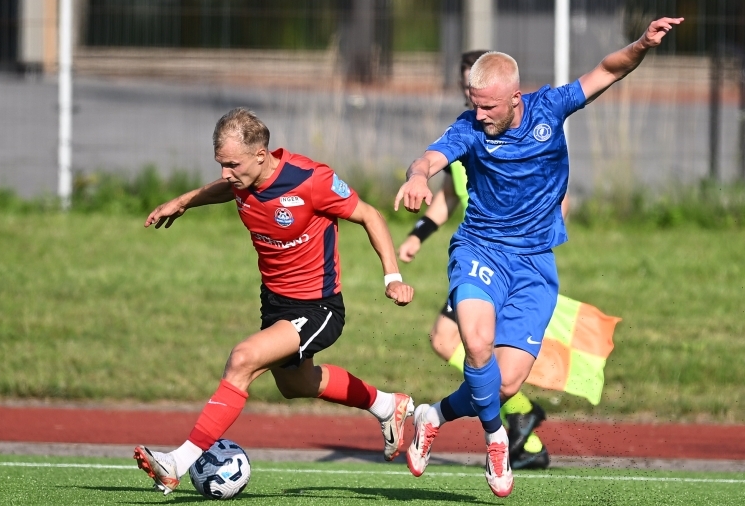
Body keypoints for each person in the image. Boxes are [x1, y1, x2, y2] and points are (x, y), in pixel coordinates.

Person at [394, 18, 683, 497]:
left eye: (488, 106)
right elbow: (429, 158)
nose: (479, 114)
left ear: (515, 98)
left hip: (534, 265)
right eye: (474, 104)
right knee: (477, 343)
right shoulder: (469, 128)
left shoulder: (551, 106)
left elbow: (608, 71)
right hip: (479, 250)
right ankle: (496, 440)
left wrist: (642, 44)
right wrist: (419, 176)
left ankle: (434, 414)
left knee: (505, 385)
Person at [135, 107, 416, 495]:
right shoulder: (241, 180)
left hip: (318, 307)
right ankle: (388, 405)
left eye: (232, 164)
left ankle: (176, 462)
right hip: (276, 305)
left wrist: (393, 277)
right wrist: (184, 201)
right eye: (220, 164)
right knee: (297, 384)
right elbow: (226, 188)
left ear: (261, 155)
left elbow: (370, 215)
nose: (225, 174)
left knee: (243, 359)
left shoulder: (310, 180)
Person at [398, 49, 552, 471]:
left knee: (491, 370)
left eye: (484, 96)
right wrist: (418, 234)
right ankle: (506, 430)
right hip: (482, 253)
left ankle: (510, 419)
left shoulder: (524, 129)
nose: (476, 105)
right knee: (461, 342)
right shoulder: (467, 132)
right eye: (470, 93)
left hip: (524, 260)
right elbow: (447, 193)